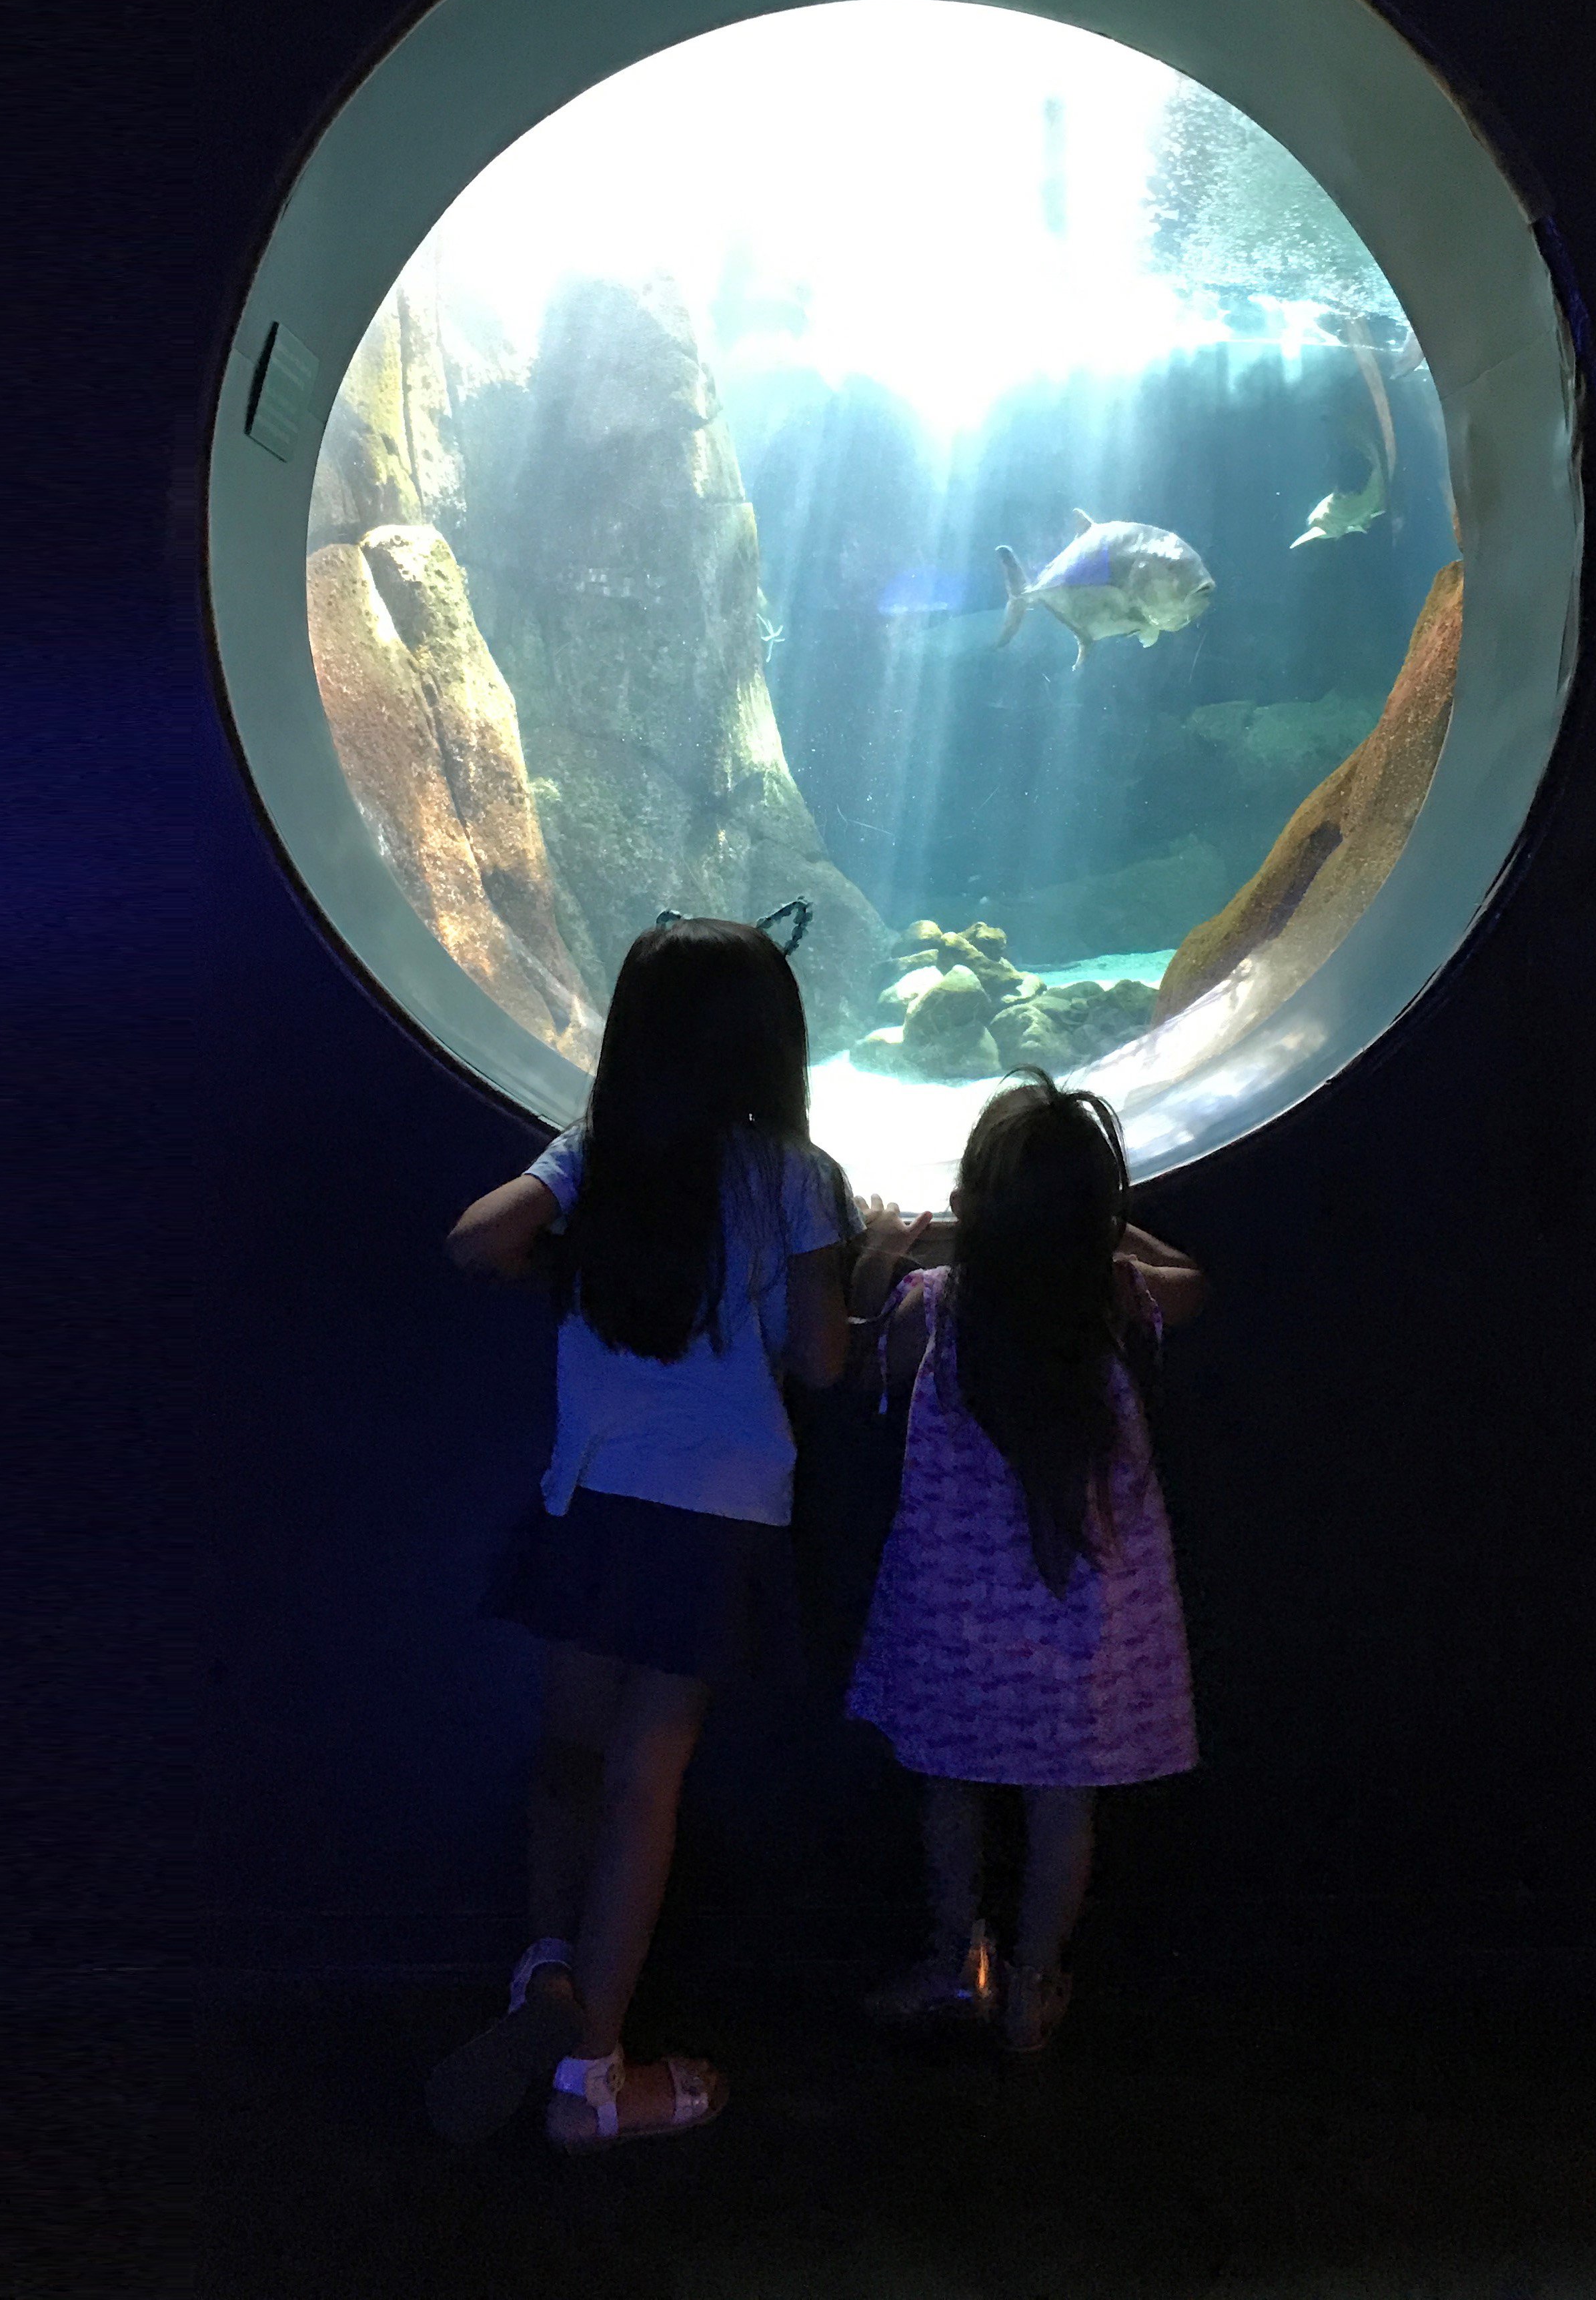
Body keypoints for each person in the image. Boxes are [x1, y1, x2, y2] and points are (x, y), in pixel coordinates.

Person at [428, 918, 852, 2151]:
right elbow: (823, 1364)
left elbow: (473, 1240)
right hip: (712, 1519)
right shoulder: (795, 1176)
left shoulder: (599, 1149)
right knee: (642, 1789)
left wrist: (559, 1256)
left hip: (589, 1501)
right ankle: (595, 2082)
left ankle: (548, 1976)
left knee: (569, 1760)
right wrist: (854, 1265)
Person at [843, 1069, 1209, 2054]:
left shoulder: (936, 1305)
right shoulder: (1116, 1299)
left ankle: (957, 1966)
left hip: (955, 1618)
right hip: (1078, 1619)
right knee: (1063, 1802)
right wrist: (1105, 1234)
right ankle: (1034, 1991)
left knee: (949, 1785)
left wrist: (880, 1249)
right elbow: (1194, 1283)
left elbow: (865, 1318)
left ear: (968, 1206)